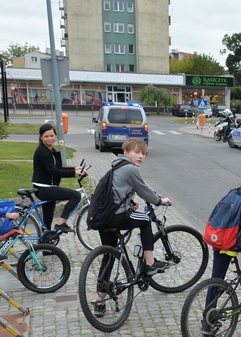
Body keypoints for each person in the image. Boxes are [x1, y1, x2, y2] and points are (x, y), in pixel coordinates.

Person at [91, 138, 172, 317]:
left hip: (104, 219)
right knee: (144, 221)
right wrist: (160, 200)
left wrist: (131, 203)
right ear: (125, 152)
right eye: (136, 152)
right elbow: (144, 190)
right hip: (117, 217)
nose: (141, 156)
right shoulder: (130, 168)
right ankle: (150, 264)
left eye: (143, 153)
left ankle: (100, 301)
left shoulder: (115, 167)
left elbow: (117, 192)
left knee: (109, 257)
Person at [202, 167, 241, 328]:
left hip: (220, 240)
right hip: (234, 242)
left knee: (216, 280)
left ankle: (207, 320)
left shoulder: (233, 193)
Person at [31, 123, 85, 233]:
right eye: (46, 136)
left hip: (49, 187)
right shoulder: (42, 152)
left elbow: (59, 168)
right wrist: (73, 173)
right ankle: (61, 223)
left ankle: (45, 246)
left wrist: (75, 169)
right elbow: (53, 171)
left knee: (47, 221)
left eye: (52, 135)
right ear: (41, 138)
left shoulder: (51, 151)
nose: (50, 138)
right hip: (44, 189)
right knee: (75, 195)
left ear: (55, 136)